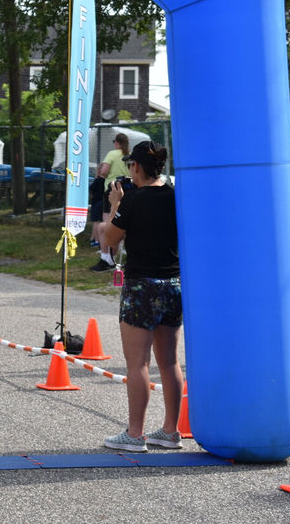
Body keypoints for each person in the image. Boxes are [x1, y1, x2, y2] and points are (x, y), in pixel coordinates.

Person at [100, 140, 183, 453]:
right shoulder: (176, 196)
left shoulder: (132, 200)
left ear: (136, 166)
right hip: (173, 282)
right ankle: (171, 430)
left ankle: (135, 434)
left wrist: (115, 205)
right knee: (170, 361)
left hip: (142, 285)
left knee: (138, 364)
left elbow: (108, 240)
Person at [90, 133, 130, 271]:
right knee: (122, 222)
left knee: (108, 224)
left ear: (117, 143)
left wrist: (103, 174)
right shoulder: (129, 154)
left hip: (112, 189)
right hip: (127, 189)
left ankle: (107, 258)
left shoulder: (112, 154)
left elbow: (105, 171)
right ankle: (114, 256)